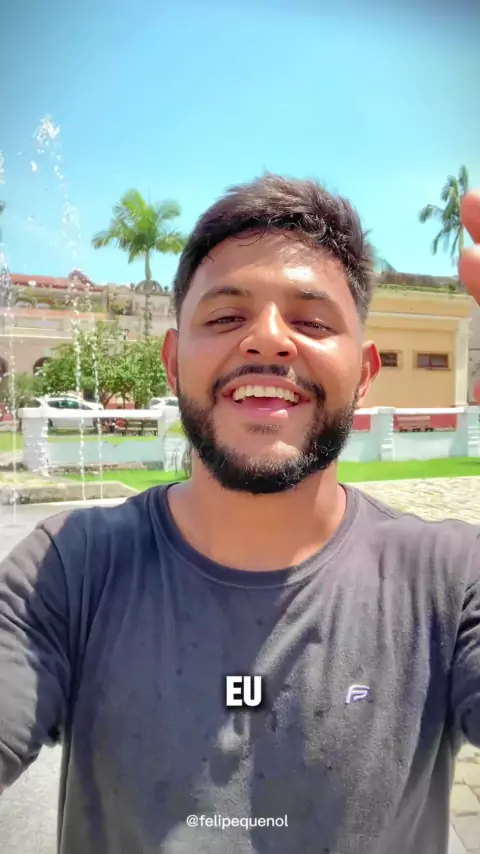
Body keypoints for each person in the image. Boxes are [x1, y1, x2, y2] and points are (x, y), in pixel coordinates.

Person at [0, 175, 479, 854]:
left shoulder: (449, 585)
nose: (268, 340)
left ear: (365, 374)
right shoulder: (69, 570)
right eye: (226, 317)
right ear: (173, 364)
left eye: (313, 322)